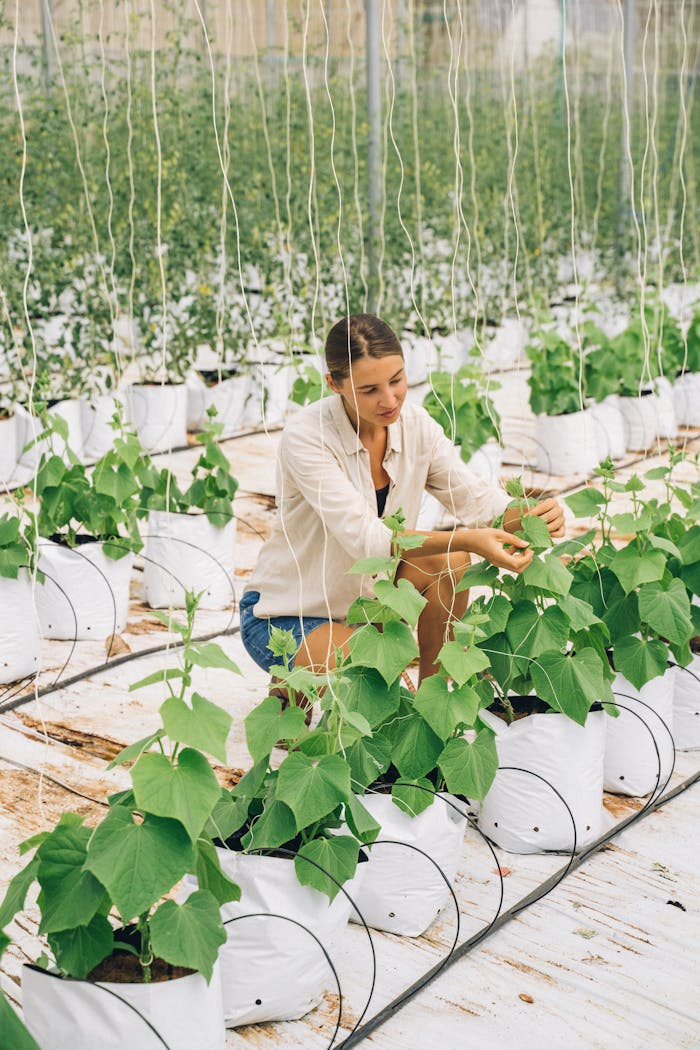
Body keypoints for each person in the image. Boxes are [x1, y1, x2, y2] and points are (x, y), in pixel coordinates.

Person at [240, 313, 564, 693]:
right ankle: (296, 680)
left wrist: (528, 513)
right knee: (373, 686)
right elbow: (367, 540)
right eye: (370, 390)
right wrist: (468, 539)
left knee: (450, 564)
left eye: (397, 380)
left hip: (368, 607)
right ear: (334, 384)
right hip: (289, 614)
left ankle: (432, 697)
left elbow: (475, 499)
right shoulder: (307, 438)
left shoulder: (416, 426)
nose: (389, 400)